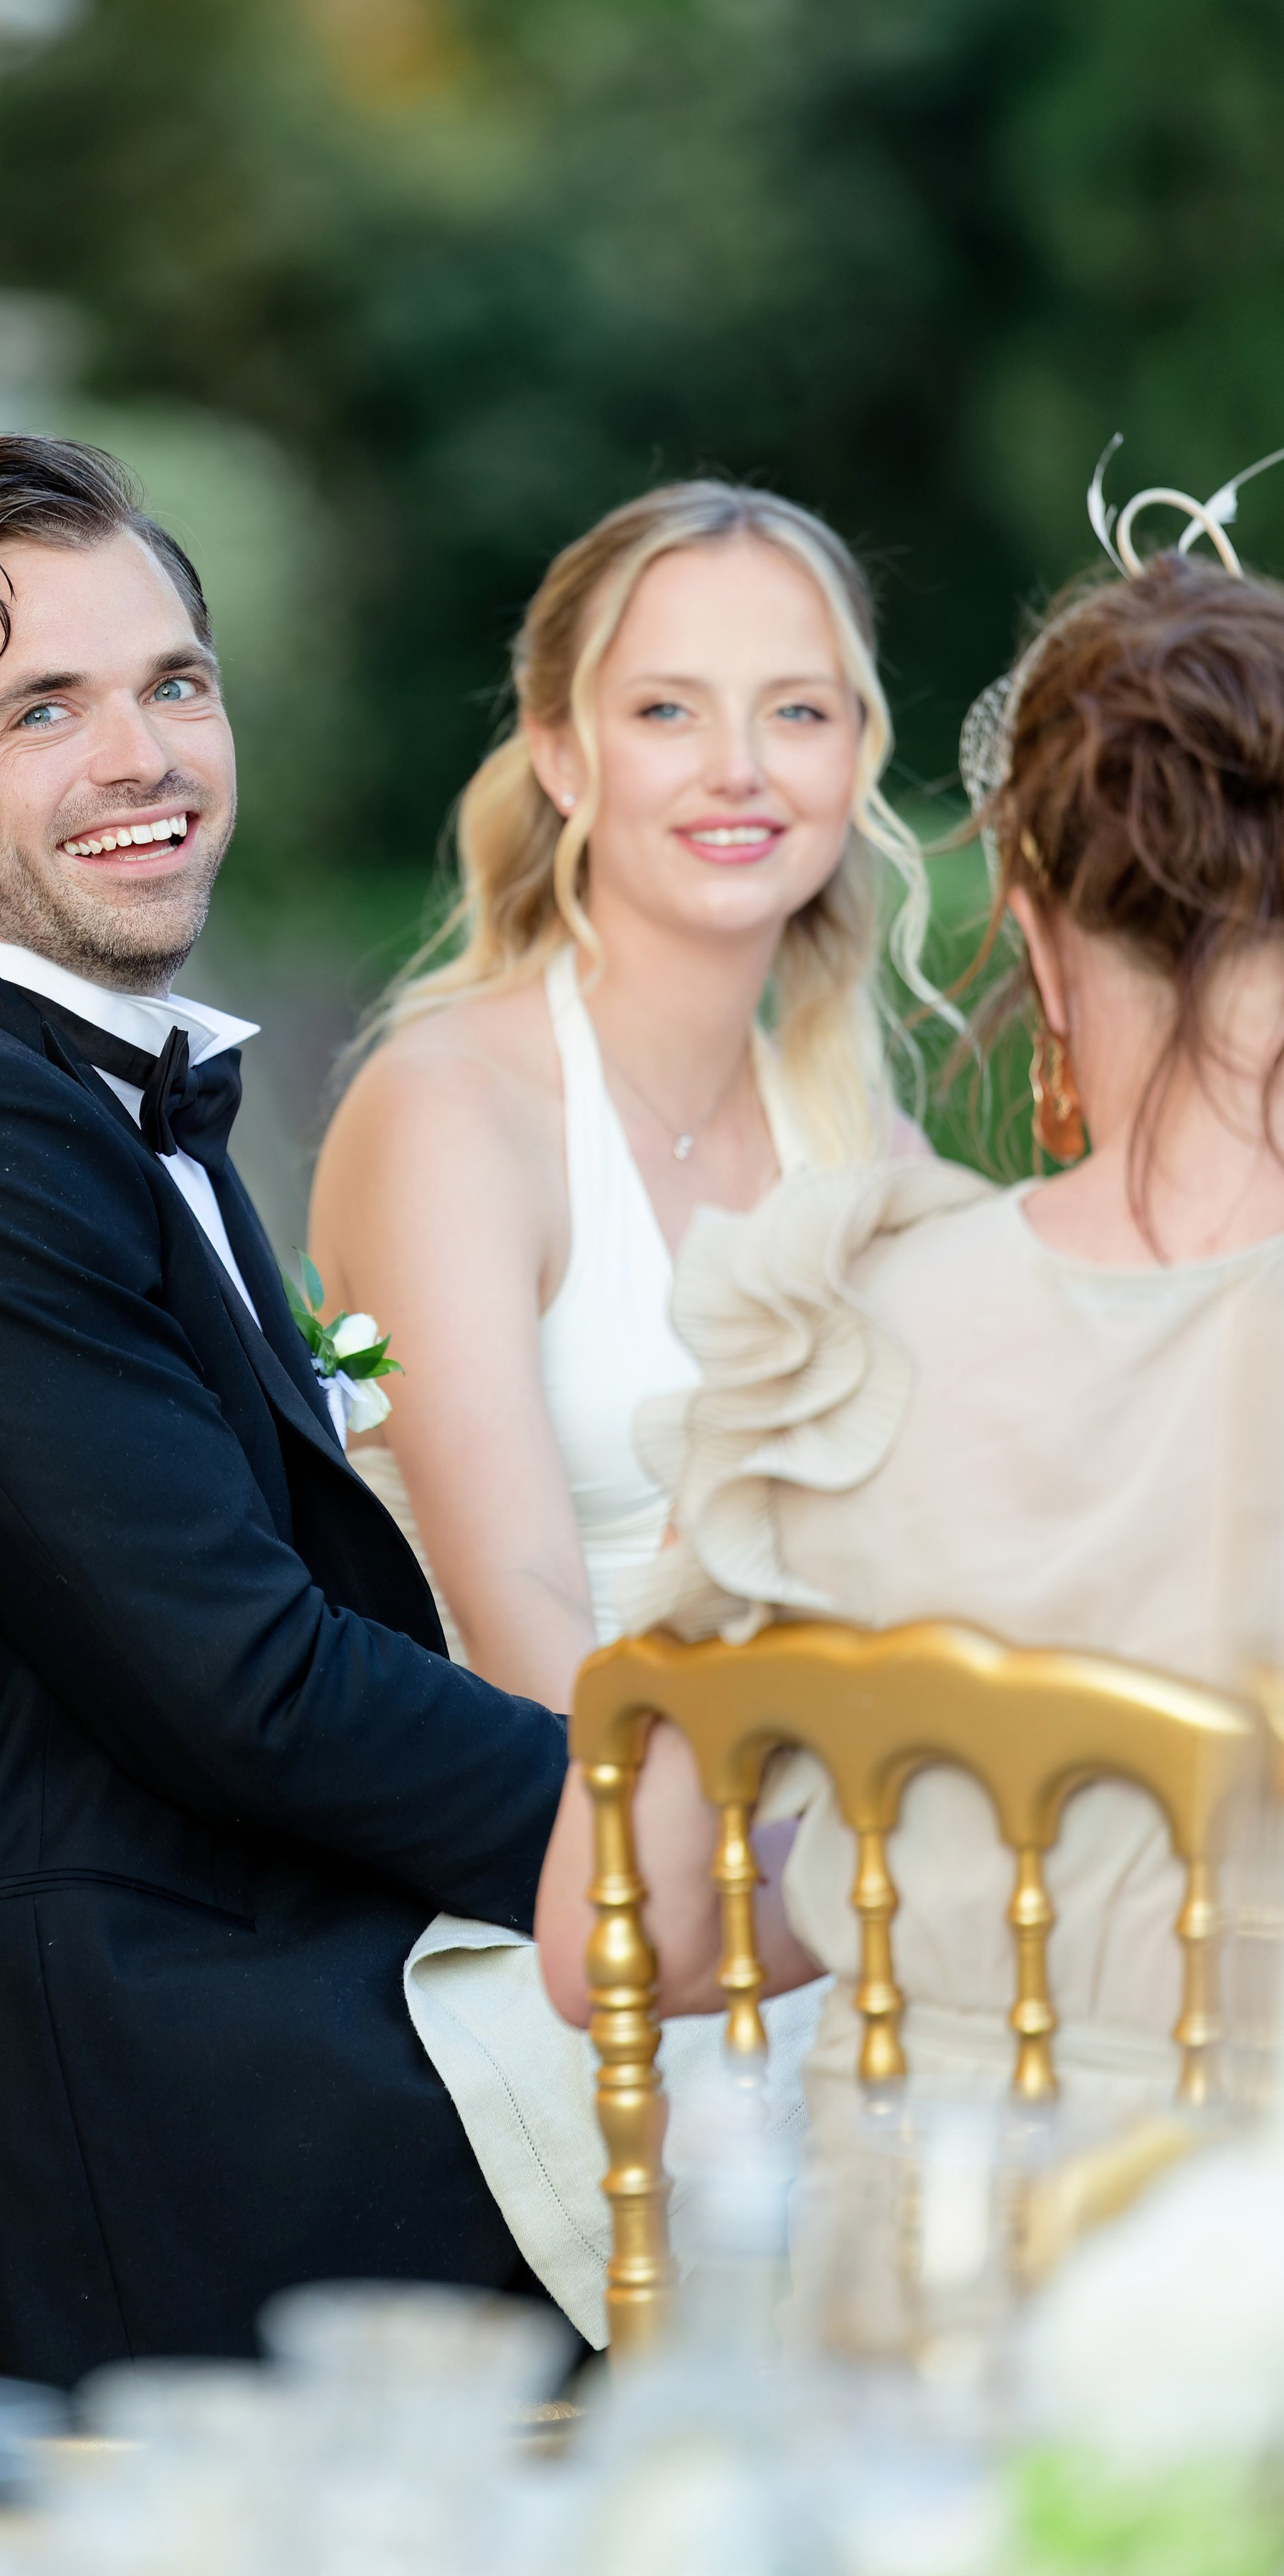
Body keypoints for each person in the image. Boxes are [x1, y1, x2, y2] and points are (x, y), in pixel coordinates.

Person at [0, 434, 596, 2392]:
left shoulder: (62, 1096)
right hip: (143, 2102)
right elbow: (248, 1688)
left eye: (173, 683)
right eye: (42, 709)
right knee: (872, 2094)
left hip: (194, 1991)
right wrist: (639, 1824)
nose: (143, 757)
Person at [535, 545, 1284, 2157]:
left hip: (913, 2279)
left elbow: (616, 1939)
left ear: (1028, 921)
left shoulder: (829, 1325)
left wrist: (938, 1890)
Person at [305, 484, 929, 2333]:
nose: (737, 766)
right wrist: (868, 1889)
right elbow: (524, 1658)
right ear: (565, 755)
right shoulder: (449, 1110)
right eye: (667, 708)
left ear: (856, 752)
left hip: (827, 1863)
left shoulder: (856, 1130)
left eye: (794, 708)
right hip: (545, 1895)